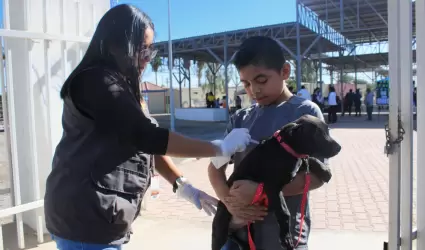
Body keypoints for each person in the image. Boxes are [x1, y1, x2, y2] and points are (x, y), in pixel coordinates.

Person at [44, 5, 252, 250]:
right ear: (113, 46)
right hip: (85, 218)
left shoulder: (125, 88)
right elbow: (147, 136)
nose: (147, 59)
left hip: (99, 217)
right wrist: (218, 147)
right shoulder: (96, 82)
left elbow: (147, 145)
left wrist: (185, 187)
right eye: (142, 50)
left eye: (150, 50)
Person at [208, 36, 327, 250]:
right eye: (246, 84)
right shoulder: (240, 119)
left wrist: (261, 191)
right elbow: (215, 168)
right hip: (238, 236)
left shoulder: (305, 113)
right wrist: (231, 203)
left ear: (285, 72)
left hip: (284, 236)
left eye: (261, 80)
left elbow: (317, 176)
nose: (254, 90)